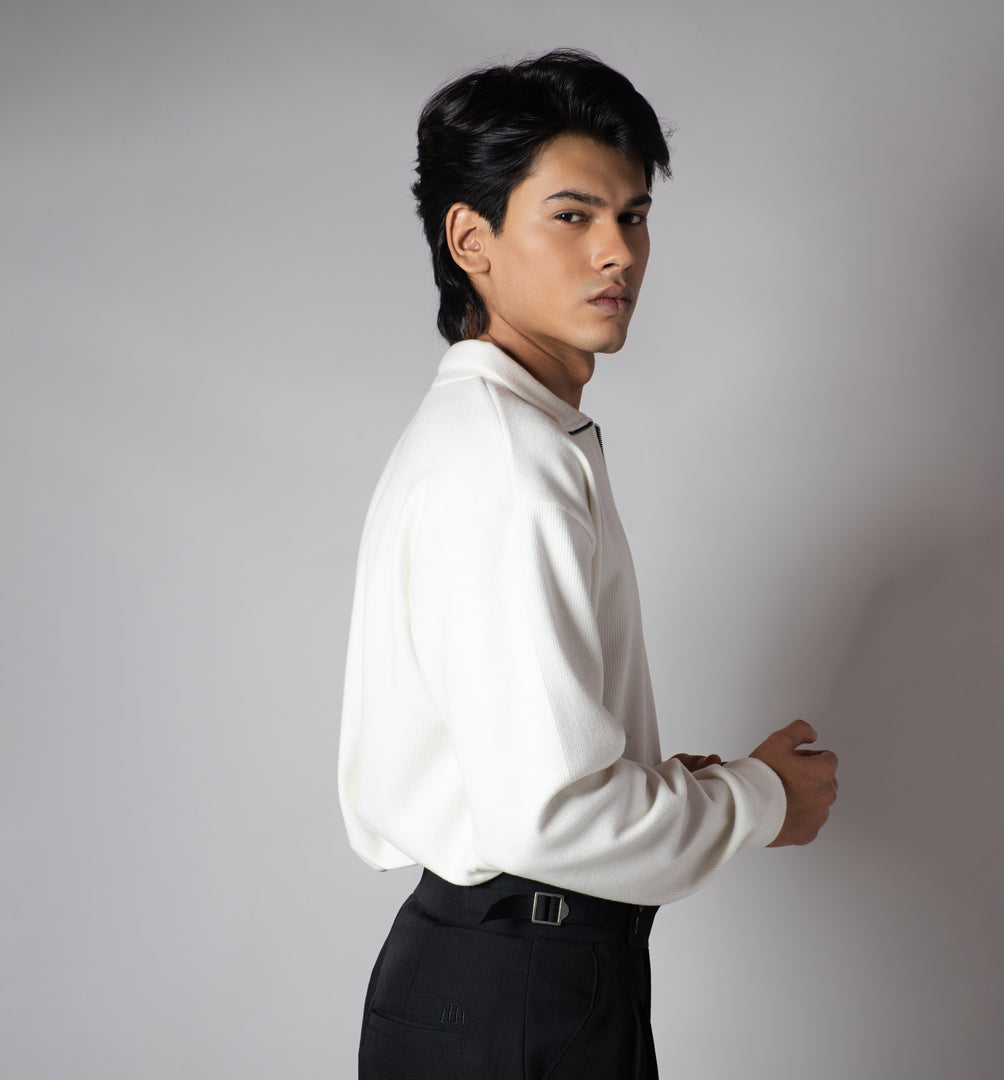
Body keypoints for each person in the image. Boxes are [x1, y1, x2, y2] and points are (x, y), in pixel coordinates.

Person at [338, 48, 838, 1079]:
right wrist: (760, 800)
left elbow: (524, 778)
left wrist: (661, 787)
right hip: (520, 989)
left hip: (502, 978)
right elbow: (550, 818)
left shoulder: (498, 435)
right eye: (572, 216)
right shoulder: (508, 466)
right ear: (471, 239)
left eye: (634, 216)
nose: (618, 252)